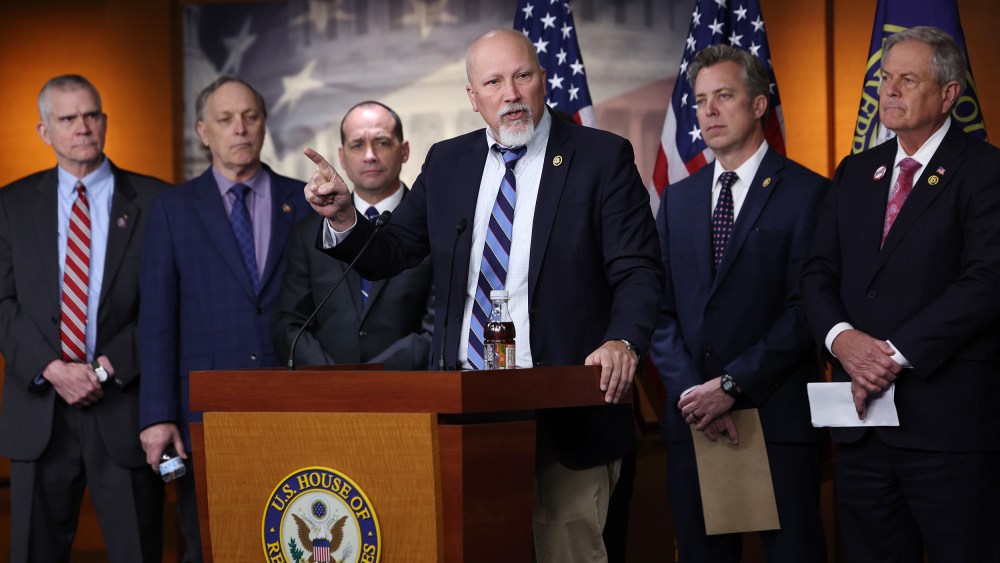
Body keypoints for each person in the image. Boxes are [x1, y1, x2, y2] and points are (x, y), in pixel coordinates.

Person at [302, 28, 662, 563]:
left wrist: (622, 341)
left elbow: (637, 270)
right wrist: (345, 217)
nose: (511, 93)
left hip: (565, 411)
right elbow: (395, 250)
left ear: (542, 81)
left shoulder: (600, 157)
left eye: (521, 76)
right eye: (493, 82)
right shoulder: (448, 162)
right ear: (474, 98)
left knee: (563, 551)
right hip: (466, 413)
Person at [801, 26, 1000, 562]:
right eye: (885, 78)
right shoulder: (855, 172)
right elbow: (816, 273)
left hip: (947, 430)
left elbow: (986, 282)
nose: (889, 91)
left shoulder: (986, 171)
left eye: (907, 80)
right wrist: (843, 341)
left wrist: (888, 355)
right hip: (862, 429)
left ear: (948, 94)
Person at [649, 44, 828, 562]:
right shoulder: (678, 200)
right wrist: (694, 396)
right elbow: (659, 312)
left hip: (775, 423)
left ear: (758, 105)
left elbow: (805, 311)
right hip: (694, 426)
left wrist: (731, 386)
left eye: (723, 96)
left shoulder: (807, 193)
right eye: (700, 99)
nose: (708, 111)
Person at [137, 75, 311, 562]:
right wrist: (157, 415)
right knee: (212, 546)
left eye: (251, 117)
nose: (240, 129)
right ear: (202, 131)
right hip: (203, 413)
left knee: (291, 539)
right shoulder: (171, 209)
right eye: (226, 119)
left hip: (292, 403)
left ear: (264, 125)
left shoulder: (304, 201)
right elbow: (156, 319)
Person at [0, 75, 167, 562]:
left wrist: (103, 369)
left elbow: (165, 307)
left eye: (92, 115)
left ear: (105, 122)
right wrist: (53, 369)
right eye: (68, 118)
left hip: (124, 406)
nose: (83, 127)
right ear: (44, 130)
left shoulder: (157, 201)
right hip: (40, 409)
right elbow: (2, 303)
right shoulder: (10, 205)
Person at [272, 101, 433, 369]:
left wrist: (372, 377)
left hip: (412, 390)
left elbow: (440, 324)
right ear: (343, 157)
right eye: (357, 145)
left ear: (404, 151)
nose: (370, 155)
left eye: (382, 142)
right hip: (328, 395)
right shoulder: (309, 232)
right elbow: (288, 323)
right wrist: (333, 377)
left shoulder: (433, 224)